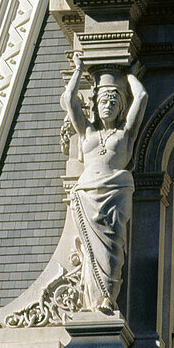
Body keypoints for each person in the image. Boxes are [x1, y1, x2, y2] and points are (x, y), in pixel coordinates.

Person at [61, 53, 149, 312]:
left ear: (122, 106)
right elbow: (69, 100)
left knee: (113, 251)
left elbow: (142, 97)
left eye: (113, 101)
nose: (107, 105)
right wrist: (78, 70)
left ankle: (108, 298)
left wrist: (131, 74)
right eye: (102, 101)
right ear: (95, 105)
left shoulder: (126, 133)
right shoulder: (87, 131)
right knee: (90, 256)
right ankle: (93, 301)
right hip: (87, 195)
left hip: (116, 194)